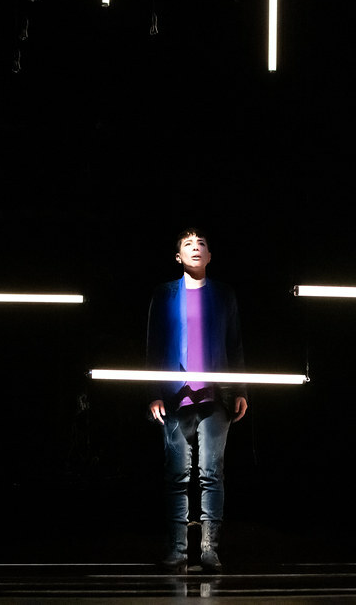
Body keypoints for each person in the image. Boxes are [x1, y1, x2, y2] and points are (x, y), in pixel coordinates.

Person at [146, 228, 248, 574]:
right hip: (175, 395)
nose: (195, 248)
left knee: (211, 473)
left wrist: (241, 391)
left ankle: (209, 550)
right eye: (188, 244)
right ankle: (176, 550)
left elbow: (234, 344)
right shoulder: (164, 294)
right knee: (176, 475)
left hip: (215, 396)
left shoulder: (223, 294)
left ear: (209, 255)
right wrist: (154, 392)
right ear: (178, 256)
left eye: (201, 243)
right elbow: (154, 344)